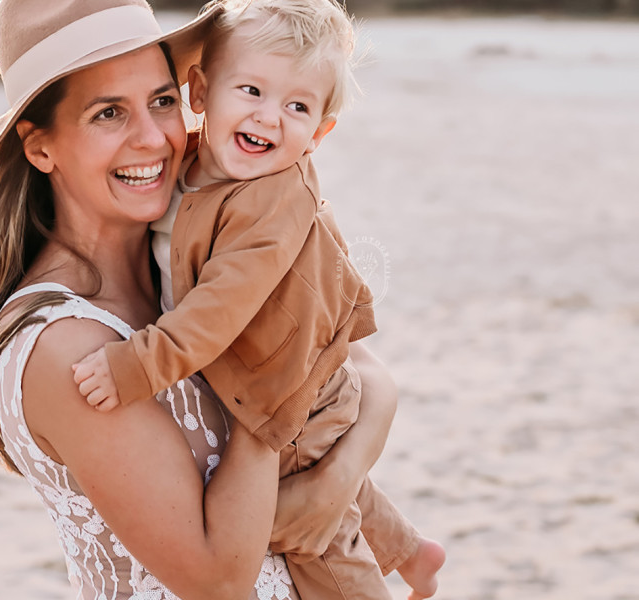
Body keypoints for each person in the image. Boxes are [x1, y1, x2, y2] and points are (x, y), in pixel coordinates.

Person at [0, 0, 400, 598]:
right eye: (108, 112)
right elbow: (219, 581)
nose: (154, 138)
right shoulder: (67, 346)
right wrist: (269, 401)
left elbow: (366, 373)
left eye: (162, 101)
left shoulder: (193, 252)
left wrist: (335, 482)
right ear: (40, 148)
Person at [70, 1, 445, 599]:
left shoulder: (271, 201)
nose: (269, 118)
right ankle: (412, 552)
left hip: (290, 382)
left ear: (319, 134)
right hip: (289, 369)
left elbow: (220, 307)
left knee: (318, 540)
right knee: (326, 474)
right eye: (251, 91)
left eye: (297, 107)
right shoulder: (192, 160)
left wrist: (139, 365)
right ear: (200, 92)